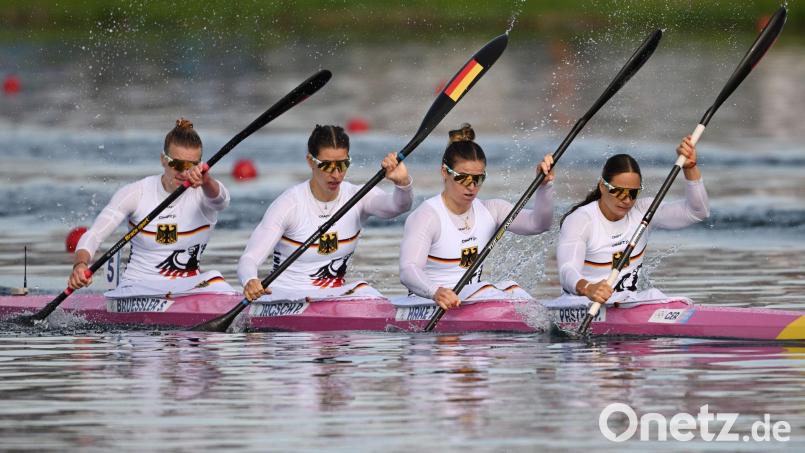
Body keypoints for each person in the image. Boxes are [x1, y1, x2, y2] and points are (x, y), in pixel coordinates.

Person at [239, 124, 413, 301]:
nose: (337, 174)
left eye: (343, 164)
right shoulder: (289, 204)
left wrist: (403, 183)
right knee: (362, 290)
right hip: (283, 298)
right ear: (310, 161)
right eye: (327, 166)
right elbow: (249, 258)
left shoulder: (358, 197)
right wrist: (251, 280)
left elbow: (398, 207)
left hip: (330, 298)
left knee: (363, 289)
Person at [69, 118, 236, 297]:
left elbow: (222, 201)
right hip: (137, 288)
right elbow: (94, 235)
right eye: (177, 164)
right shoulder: (136, 193)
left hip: (187, 288)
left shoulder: (206, 191)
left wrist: (207, 180)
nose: (183, 172)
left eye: (191, 166)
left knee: (215, 277)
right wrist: (80, 265)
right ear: (163, 160)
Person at [399, 124, 555, 311]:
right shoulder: (427, 216)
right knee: (490, 289)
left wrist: (545, 186)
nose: (472, 186)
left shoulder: (493, 210)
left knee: (513, 288)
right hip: (428, 303)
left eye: (478, 178)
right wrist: (436, 292)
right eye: (463, 178)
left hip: (472, 300)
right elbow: (408, 270)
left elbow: (540, 224)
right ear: (444, 172)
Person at [556, 136, 709, 305]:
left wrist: (690, 168)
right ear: (602, 186)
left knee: (653, 294)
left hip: (628, 302)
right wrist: (588, 288)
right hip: (582, 304)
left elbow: (697, 212)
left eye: (633, 193)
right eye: (619, 192)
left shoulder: (644, 211)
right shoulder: (581, 220)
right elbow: (566, 270)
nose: (627, 200)